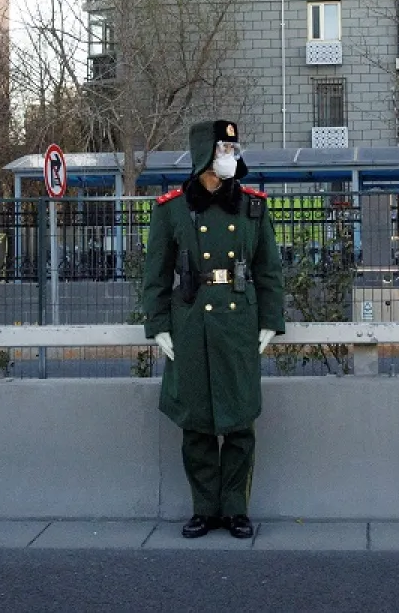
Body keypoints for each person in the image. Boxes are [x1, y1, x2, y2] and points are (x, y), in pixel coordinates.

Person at [141, 120, 286, 539]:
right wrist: (158, 325)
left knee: (240, 422)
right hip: (191, 324)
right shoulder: (171, 209)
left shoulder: (252, 206)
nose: (231, 154)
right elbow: (156, 273)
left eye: (233, 146)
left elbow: (268, 271)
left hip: (238, 322)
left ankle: (236, 509)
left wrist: (269, 322)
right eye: (224, 147)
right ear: (205, 153)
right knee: (197, 422)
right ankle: (205, 508)